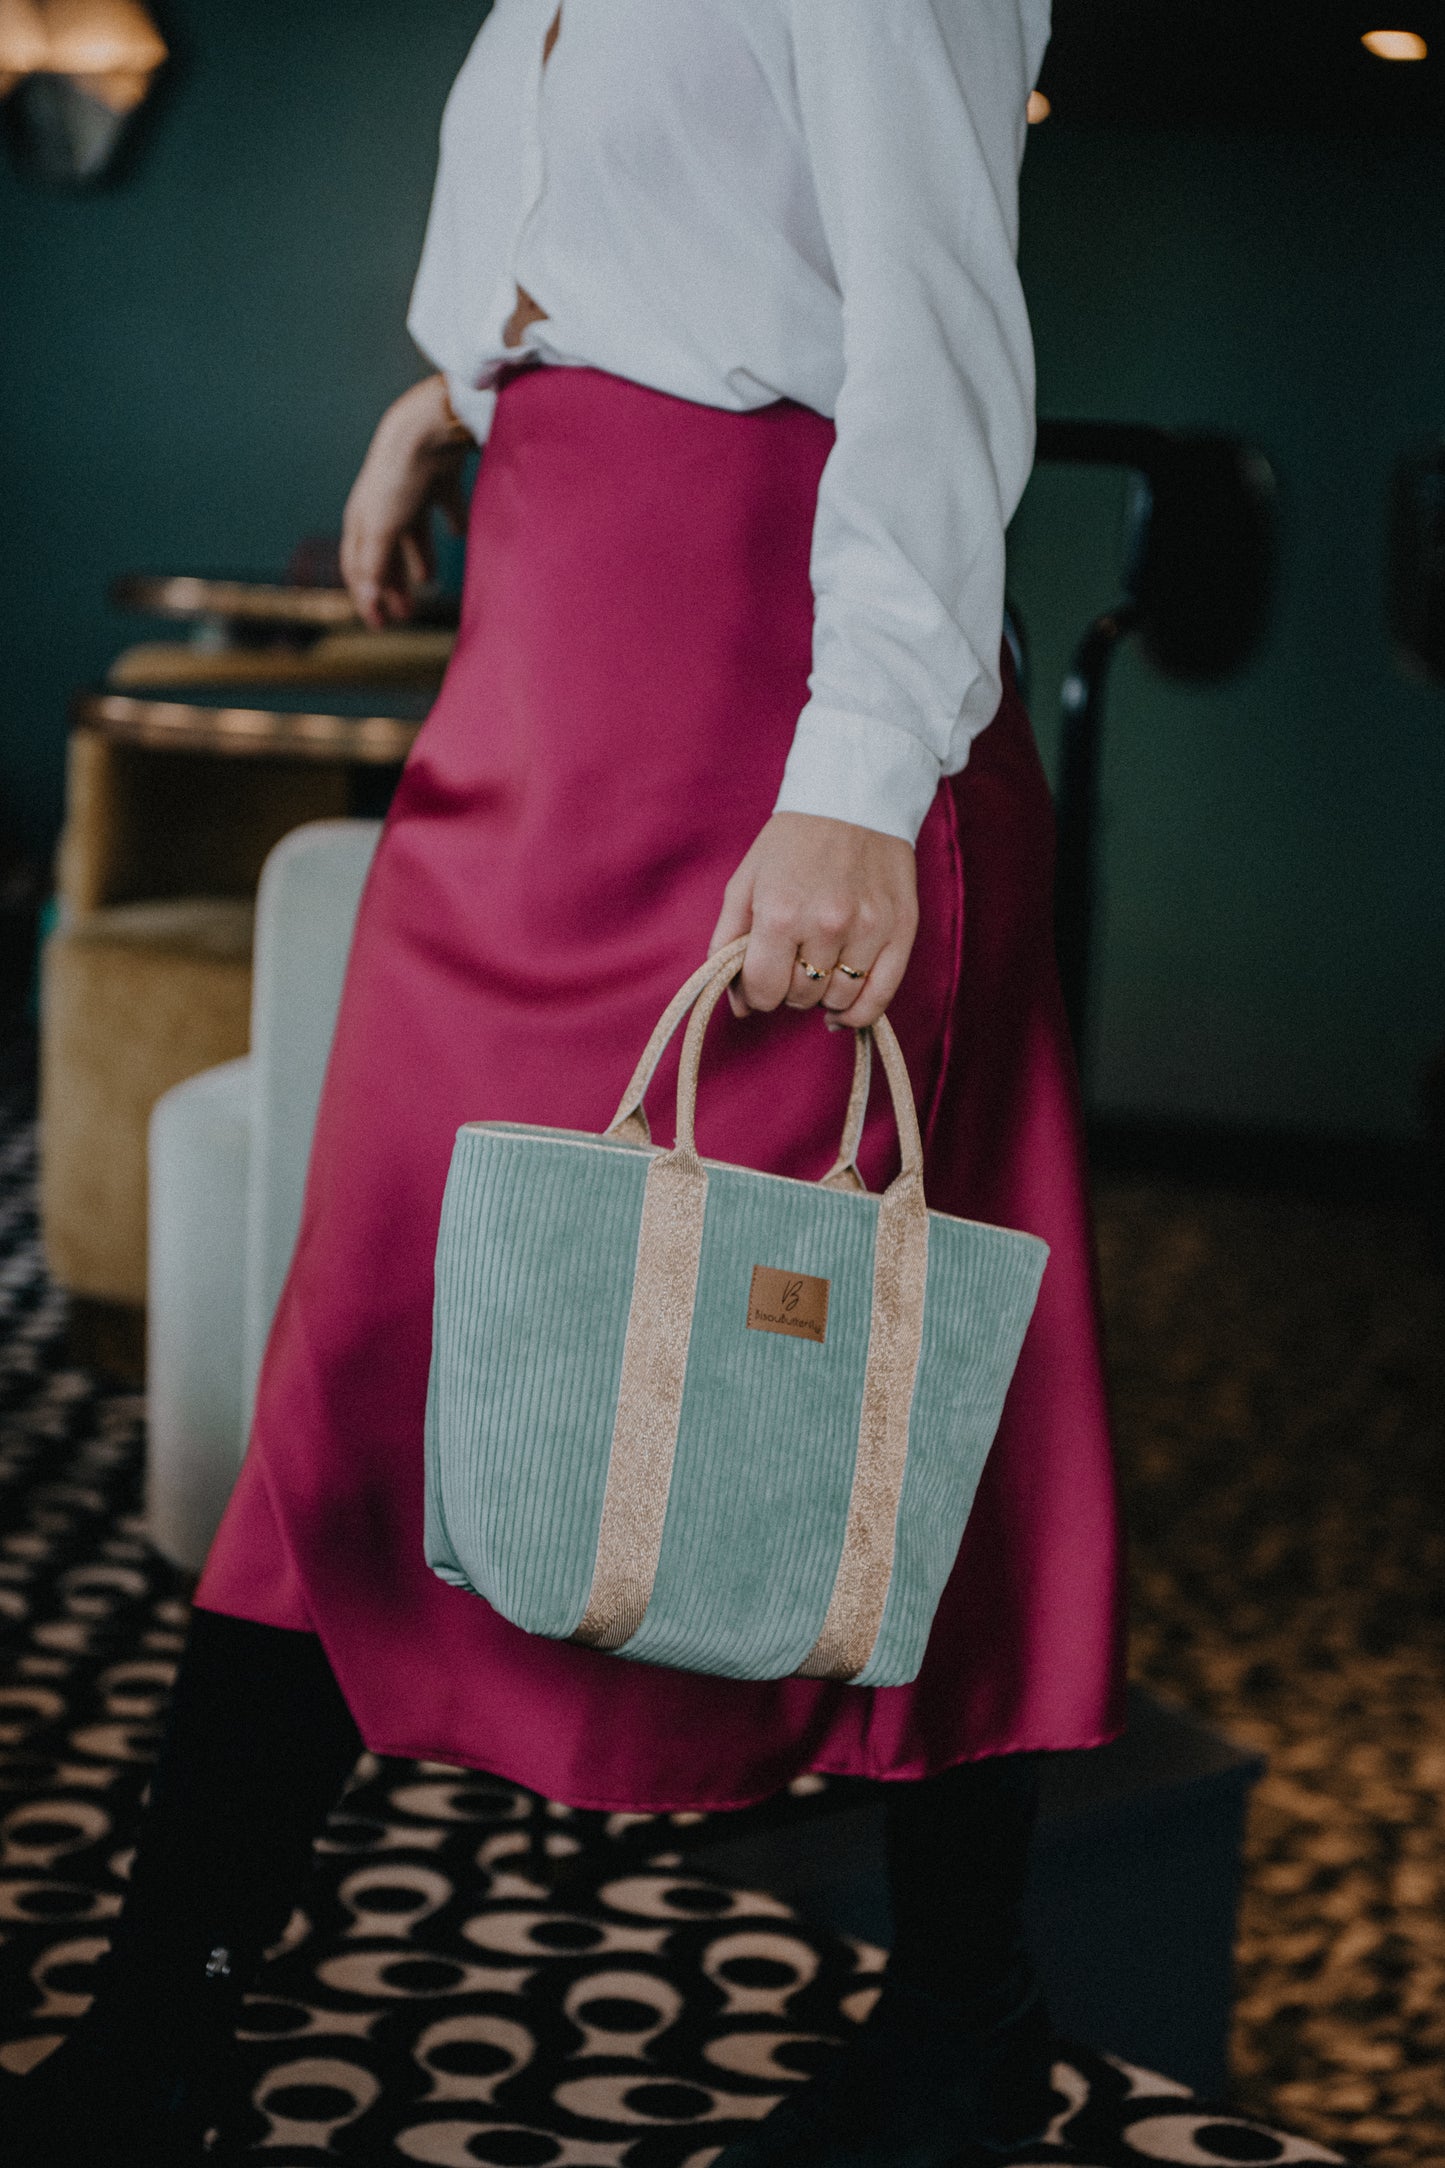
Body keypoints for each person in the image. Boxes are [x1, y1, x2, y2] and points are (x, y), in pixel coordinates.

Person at [6, 3, 1125, 2162]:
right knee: (367, 1334)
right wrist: (459, 397)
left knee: (870, 1370)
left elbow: (933, 330)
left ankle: (972, 2016)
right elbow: (665, 245)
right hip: (545, 672)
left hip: (764, 693)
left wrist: (858, 782)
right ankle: (172, 2017)